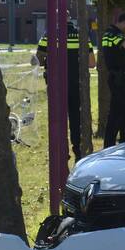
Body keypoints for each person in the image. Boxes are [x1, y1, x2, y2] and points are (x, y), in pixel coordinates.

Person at [37, 21, 96, 161]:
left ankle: (60, 153)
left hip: (56, 84)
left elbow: (38, 58)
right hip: (76, 84)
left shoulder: (49, 34)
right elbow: (92, 63)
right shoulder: (81, 35)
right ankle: (78, 152)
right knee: (76, 119)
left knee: (57, 119)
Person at [101, 12, 125, 148]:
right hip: (118, 78)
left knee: (124, 114)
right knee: (116, 114)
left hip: (120, 77)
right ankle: (109, 146)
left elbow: (124, 52)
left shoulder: (114, 34)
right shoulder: (112, 33)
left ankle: (123, 144)